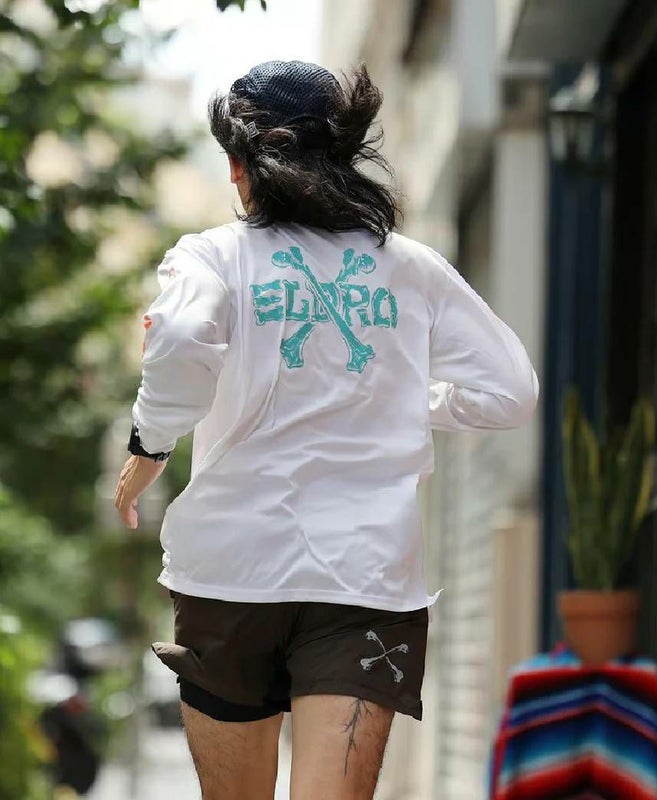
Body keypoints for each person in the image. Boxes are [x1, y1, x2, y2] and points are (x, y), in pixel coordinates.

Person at [114, 60, 538, 800]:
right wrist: (403, 396)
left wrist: (150, 444)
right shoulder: (411, 268)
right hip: (363, 579)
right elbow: (510, 391)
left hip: (231, 573)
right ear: (342, 154)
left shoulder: (213, 256)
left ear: (240, 166)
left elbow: (180, 340)